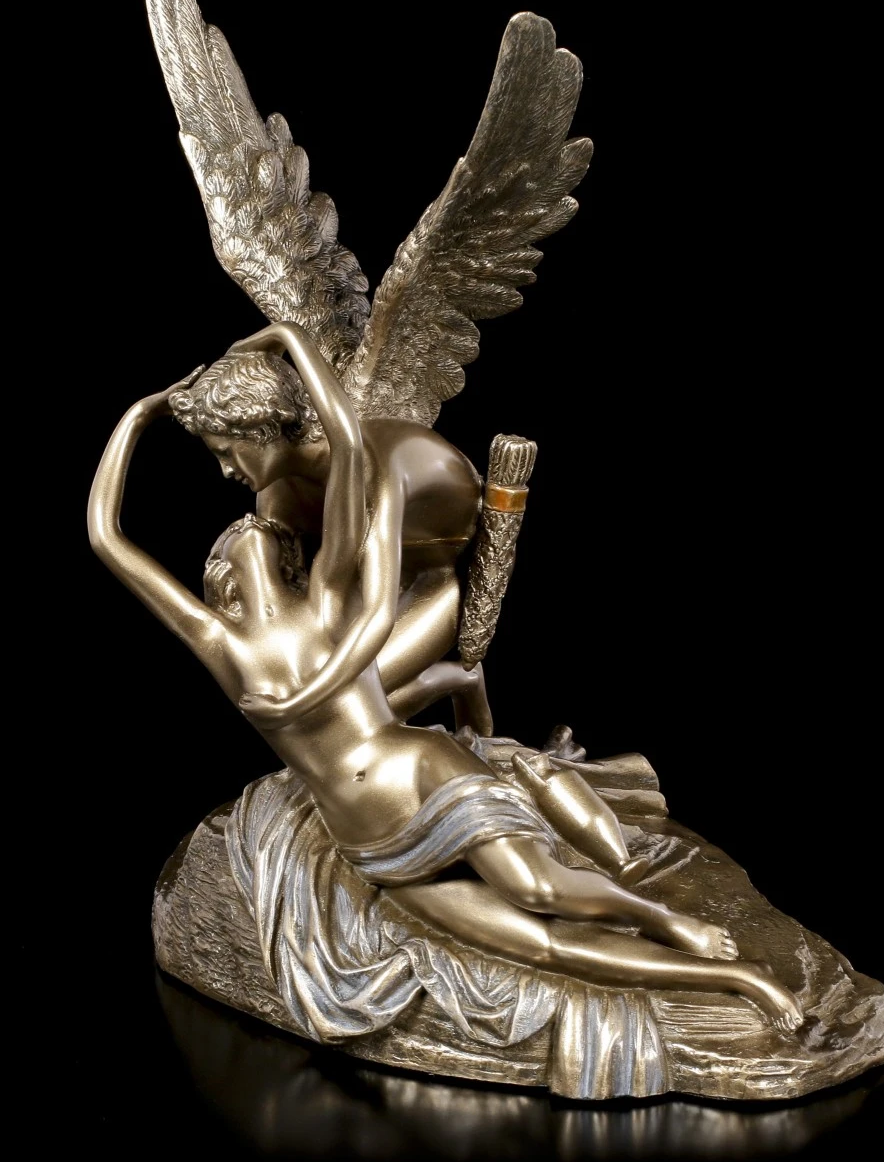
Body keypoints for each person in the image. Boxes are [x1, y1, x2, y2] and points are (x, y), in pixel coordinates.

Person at [88, 329, 804, 1034]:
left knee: (539, 888)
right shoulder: (220, 642)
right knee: (538, 947)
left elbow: (345, 439)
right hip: (372, 844)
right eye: (229, 543)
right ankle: (738, 980)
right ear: (219, 586)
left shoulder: (330, 600)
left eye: (253, 530)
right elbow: (106, 537)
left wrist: (288, 338)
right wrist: (137, 415)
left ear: (285, 561)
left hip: (422, 773)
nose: (247, 521)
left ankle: (663, 920)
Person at [167, 337, 492, 735]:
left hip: (427, 588)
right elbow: (295, 596)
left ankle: (461, 680)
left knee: (344, 707)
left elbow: (377, 614)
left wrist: (298, 703)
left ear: (264, 427)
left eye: (227, 452)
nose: (226, 471)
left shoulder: (376, 468)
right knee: (329, 710)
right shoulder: (275, 493)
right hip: (358, 584)